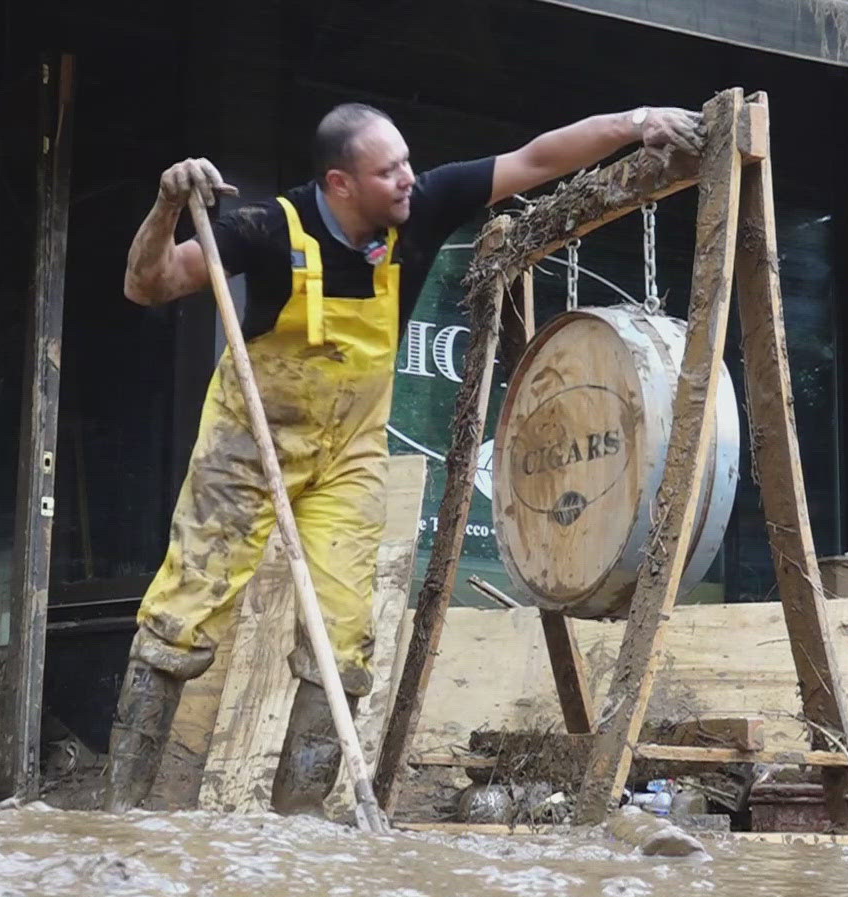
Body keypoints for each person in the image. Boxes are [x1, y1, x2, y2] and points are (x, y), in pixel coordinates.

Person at [115, 101, 704, 814]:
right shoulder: (267, 228)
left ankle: (297, 828)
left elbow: (537, 159)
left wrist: (635, 123)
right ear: (340, 184)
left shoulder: (418, 210)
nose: (406, 179)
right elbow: (148, 284)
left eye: (406, 162)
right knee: (182, 615)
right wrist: (165, 204)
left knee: (343, 643)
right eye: (387, 170)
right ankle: (122, 813)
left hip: (348, 454)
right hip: (249, 445)